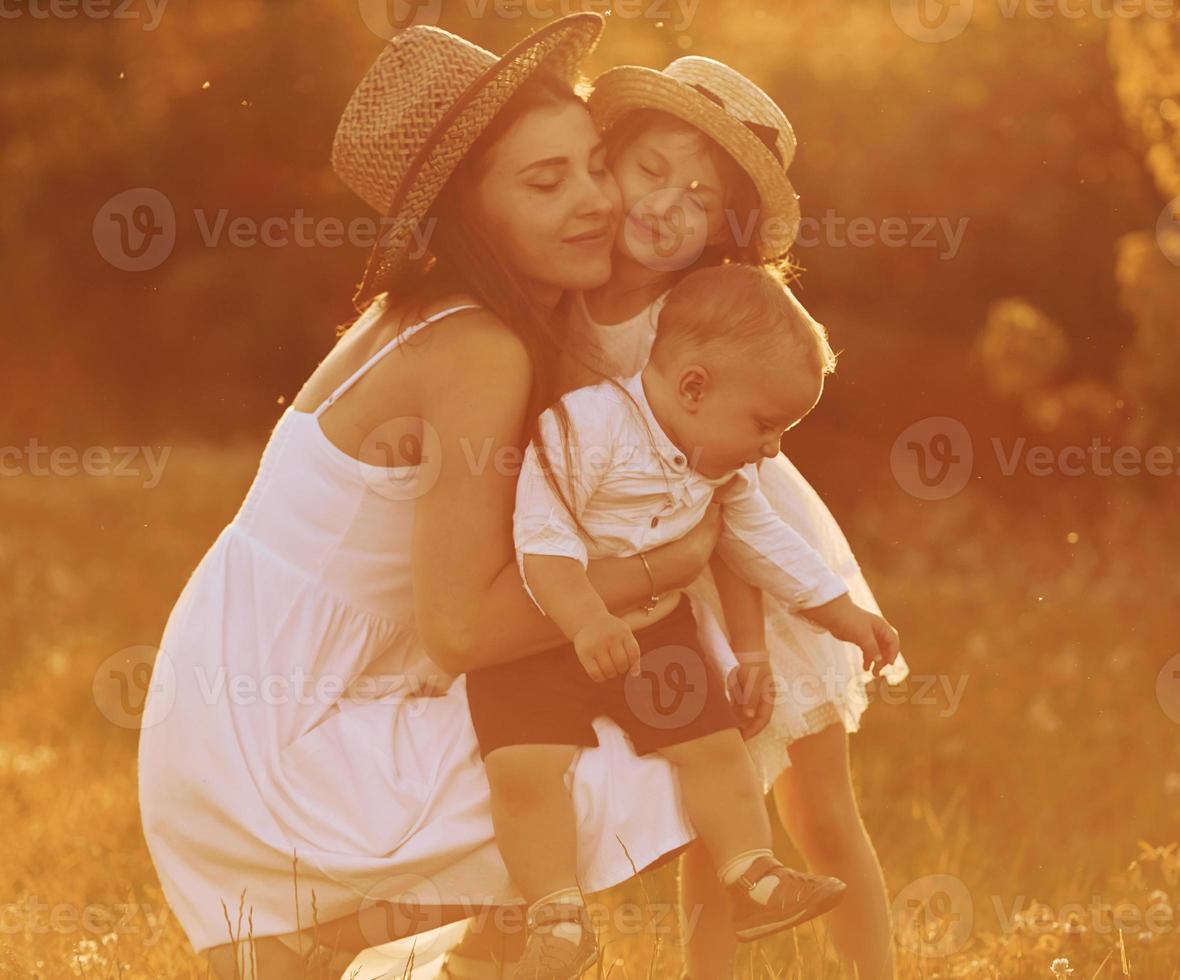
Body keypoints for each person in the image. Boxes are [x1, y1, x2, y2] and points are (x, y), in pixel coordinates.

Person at [135, 16, 726, 979]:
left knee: (589, 741)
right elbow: (457, 630)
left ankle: (334, 946)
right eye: (544, 183)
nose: (595, 202)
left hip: (227, 703)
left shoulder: (433, 309)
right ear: (467, 216)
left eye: (590, 165)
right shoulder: (476, 350)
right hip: (279, 738)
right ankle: (309, 937)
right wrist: (666, 571)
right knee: (642, 745)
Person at [563, 56, 913, 979]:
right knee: (712, 819)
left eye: (699, 196)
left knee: (819, 807)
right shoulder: (563, 292)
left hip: (750, 545)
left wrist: (752, 646)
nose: (666, 204)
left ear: (723, 231)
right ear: (609, 156)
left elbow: (734, 507)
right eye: (651, 169)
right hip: (646, 560)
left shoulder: (704, 313)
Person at [471, 264, 901, 978]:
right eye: (766, 426)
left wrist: (843, 613)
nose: (773, 450)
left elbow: (766, 544)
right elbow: (540, 544)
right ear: (695, 388)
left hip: (654, 629)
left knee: (719, 749)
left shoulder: (722, 467)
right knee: (523, 768)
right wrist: (584, 622)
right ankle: (556, 916)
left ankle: (753, 875)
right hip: (553, 627)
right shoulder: (584, 428)